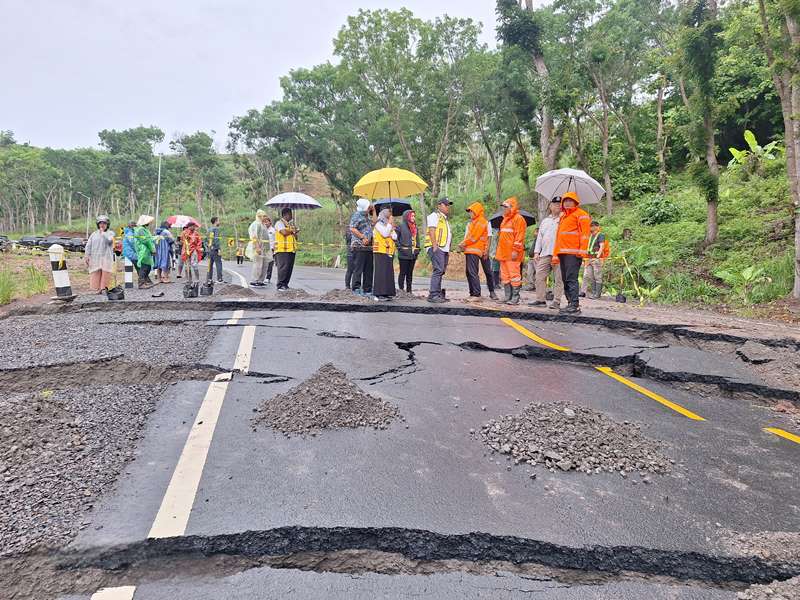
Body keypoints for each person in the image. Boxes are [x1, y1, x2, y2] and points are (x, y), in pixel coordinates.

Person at [553, 191, 591, 314]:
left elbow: (585, 234)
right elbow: (559, 237)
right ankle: (570, 303)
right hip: (563, 253)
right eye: (565, 200)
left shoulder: (582, 215)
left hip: (574, 254)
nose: (568, 203)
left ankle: (575, 305)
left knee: (571, 279)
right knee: (565, 279)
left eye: (570, 200)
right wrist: (555, 254)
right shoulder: (563, 216)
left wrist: (582, 251)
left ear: (575, 202)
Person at [529, 197, 565, 310]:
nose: (557, 206)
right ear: (550, 206)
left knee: (558, 278)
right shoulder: (545, 221)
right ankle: (540, 299)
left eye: (559, 204)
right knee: (539, 276)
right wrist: (536, 252)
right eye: (555, 204)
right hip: (545, 253)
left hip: (559, 254)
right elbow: (540, 237)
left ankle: (556, 301)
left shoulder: (564, 219)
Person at [459, 201, 497, 300]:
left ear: (477, 211)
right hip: (471, 251)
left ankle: (490, 291)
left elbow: (489, 237)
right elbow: (466, 237)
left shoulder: (485, 222)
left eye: (471, 211)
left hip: (482, 250)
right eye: (469, 212)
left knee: (488, 271)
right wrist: (463, 245)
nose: (470, 214)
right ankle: (473, 293)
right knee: (470, 272)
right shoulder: (469, 224)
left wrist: (487, 250)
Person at [495, 197, 527, 305]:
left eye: (506, 207)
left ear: (512, 208)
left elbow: (520, 237)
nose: (504, 209)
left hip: (512, 254)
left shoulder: (518, 219)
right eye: (503, 207)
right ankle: (507, 296)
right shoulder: (505, 219)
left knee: (514, 276)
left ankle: (515, 297)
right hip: (503, 254)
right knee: (505, 276)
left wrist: (515, 250)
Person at [425, 197, 453, 303]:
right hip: (437, 247)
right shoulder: (434, 216)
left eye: (448, 205)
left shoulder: (444, 219)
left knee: (441, 271)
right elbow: (432, 230)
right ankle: (433, 294)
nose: (447, 207)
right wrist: (435, 246)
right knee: (438, 270)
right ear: (439, 205)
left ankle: (438, 293)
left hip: (444, 248)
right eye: (446, 205)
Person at [349, 199, 375, 296]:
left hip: (368, 245)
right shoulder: (357, 215)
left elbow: (375, 221)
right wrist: (362, 237)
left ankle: (367, 289)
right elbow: (352, 228)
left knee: (369, 268)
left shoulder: (367, 215)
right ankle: (356, 288)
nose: (369, 208)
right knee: (358, 268)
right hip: (359, 245)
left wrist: (374, 210)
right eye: (368, 207)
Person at [85, 215, 116, 293]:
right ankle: (96, 289)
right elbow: (88, 245)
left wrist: (103, 233)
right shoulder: (94, 234)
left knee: (106, 272)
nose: (102, 225)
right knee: (95, 273)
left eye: (104, 223)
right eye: (100, 223)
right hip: (95, 258)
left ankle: (103, 289)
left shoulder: (111, 233)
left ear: (107, 224)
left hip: (106, 257)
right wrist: (87, 256)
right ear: (98, 224)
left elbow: (109, 241)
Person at [372, 208, 398, 301]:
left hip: (388, 251)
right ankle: (379, 293)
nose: (390, 213)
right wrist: (389, 225)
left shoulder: (388, 224)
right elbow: (385, 233)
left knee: (388, 273)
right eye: (388, 211)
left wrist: (391, 225)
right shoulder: (378, 224)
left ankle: (388, 292)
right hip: (380, 250)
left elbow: (395, 236)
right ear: (383, 213)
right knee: (381, 273)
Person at [581, 220, 609, 299]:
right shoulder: (590, 236)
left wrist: (598, 256)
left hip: (596, 258)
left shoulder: (600, 235)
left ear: (597, 227)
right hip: (589, 258)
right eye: (591, 226)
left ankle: (597, 294)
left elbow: (602, 246)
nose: (591, 228)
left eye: (593, 226)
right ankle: (593, 293)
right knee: (590, 275)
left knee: (597, 276)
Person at [274, 207, 298, 290]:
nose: (291, 216)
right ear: (285, 215)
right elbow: (283, 232)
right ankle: (280, 285)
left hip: (291, 250)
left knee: (289, 268)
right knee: (283, 268)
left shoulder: (290, 225)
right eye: (290, 214)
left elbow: (295, 237)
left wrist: (295, 232)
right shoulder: (279, 223)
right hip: (282, 250)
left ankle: (285, 284)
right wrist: (292, 230)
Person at [396, 209, 420, 293]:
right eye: (412, 216)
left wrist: (418, 249)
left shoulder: (415, 227)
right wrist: (400, 248)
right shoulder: (400, 226)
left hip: (413, 254)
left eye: (414, 216)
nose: (413, 217)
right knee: (403, 272)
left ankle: (409, 291)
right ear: (407, 217)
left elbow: (417, 240)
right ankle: (401, 290)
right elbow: (396, 239)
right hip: (403, 254)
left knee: (410, 273)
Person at [246, 209, 271, 287]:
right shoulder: (256, 224)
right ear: (260, 216)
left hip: (264, 248)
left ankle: (260, 280)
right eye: (264, 216)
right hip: (258, 247)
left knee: (264, 264)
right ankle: (254, 280)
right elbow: (254, 236)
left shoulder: (262, 224)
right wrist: (257, 247)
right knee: (258, 264)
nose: (265, 217)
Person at [134, 215, 156, 288]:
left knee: (148, 267)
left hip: (146, 250)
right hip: (144, 250)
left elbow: (149, 239)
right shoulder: (140, 230)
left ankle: (145, 281)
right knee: (144, 267)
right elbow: (146, 241)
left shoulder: (144, 229)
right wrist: (152, 249)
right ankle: (141, 283)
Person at [206, 216, 223, 283]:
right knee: (218, 263)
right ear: (216, 221)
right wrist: (218, 248)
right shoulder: (216, 229)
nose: (219, 222)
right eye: (218, 220)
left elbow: (205, 240)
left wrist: (208, 247)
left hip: (210, 249)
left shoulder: (209, 229)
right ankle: (219, 279)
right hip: (215, 249)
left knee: (210, 264)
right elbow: (216, 239)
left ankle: (209, 278)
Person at [265, 216, 276, 284]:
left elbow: (276, 240)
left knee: (270, 264)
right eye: (264, 222)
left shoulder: (273, 230)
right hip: (264, 249)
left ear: (270, 222)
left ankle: (268, 278)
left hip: (271, 249)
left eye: (267, 221)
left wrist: (274, 249)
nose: (265, 223)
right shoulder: (263, 230)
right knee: (264, 264)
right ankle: (262, 277)